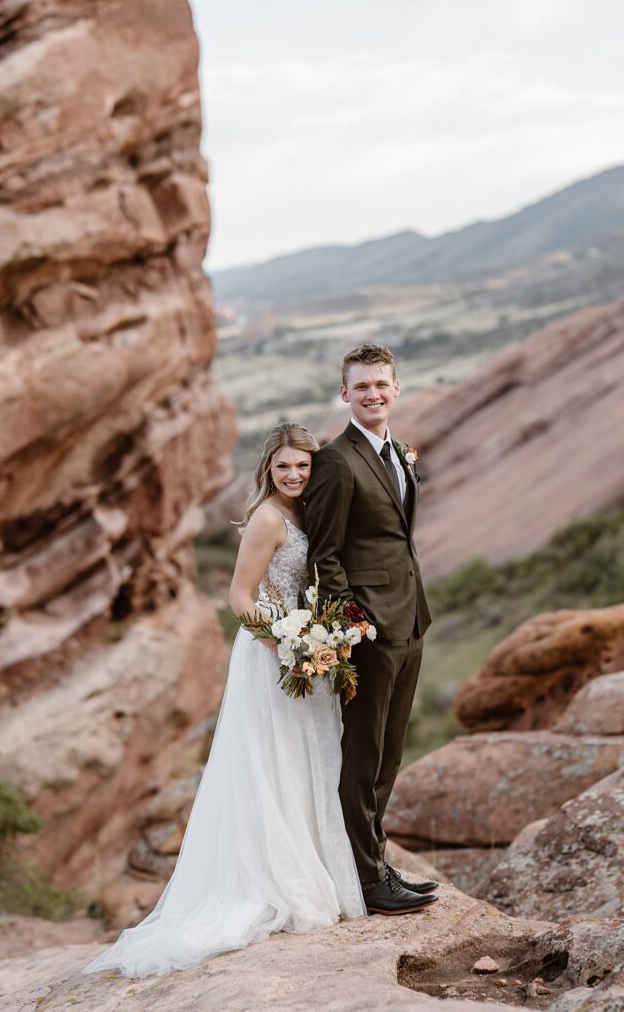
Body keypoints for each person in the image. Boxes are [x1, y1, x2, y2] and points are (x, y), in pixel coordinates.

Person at [82, 422, 365, 979]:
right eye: (283, 467)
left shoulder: (311, 513)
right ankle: (280, 882)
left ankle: (321, 870)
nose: (293, 475)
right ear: (268, 470)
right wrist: (288, 642)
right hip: (272, 655)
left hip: (312, 652)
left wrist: (319, 642)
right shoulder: (265, 518)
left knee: (312, 759)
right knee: (273, 762)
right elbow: (239, 596)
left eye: (303, 466)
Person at [304, 343, 439, 915]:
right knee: (362, 754)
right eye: (361, 387)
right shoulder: (336, 459)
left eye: (381, 384)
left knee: (389, 751)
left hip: (411, 617)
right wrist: (353, 622)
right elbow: (325, 552)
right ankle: (364, 880)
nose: (373, 394)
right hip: (371, 628)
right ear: (345, 395)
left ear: (396, 388)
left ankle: (375, 860)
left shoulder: (397, 453)